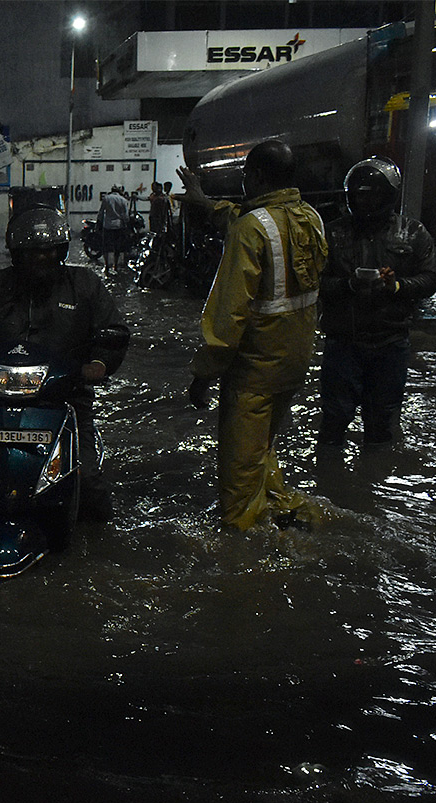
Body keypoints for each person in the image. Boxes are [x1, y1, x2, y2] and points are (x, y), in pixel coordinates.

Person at [0, 206, 129, 520]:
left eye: (49, 251)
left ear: (61, 251)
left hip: (65, 398)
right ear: (16, 255)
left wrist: (100, 364)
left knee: (89, 484)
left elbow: (115, 331)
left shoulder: (85, 285)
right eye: (32, 253)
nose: (42, 259)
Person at [178, 140, 329, 531]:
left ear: (258, 176)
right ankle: (283, 511)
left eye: (246, 174)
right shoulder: (308, 218)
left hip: (254, 371)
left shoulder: (251, 229)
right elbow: (243, 218)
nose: (244, 181)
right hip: (294, 363)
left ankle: (250, 546)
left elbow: (228, 316)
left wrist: (203, 373)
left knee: (239, 478)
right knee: (262, 450)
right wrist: (204, 201)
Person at [317, 158, 436, 449]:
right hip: (343, 342)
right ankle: (330, 487)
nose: (366, 201)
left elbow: (431, 278)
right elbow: (312, 283)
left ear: (388, 195)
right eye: (360, 194)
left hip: (390, 343)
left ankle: (371, 483)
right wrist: (349, 285)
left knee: (382, 424)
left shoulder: (413, 232)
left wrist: (396, 286)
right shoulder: (332, 233)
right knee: (334, 420)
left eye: (373, 194)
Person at [97, 185, 130, 275]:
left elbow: (101, 213)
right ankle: (116, 265)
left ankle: (107, 265)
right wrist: (126, 225)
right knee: (117, 247)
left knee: (106, 246)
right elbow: (126, 216)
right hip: (119, 226)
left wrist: (98, 223)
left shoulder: (106, 199)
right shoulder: (123, 200)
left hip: (107, 225)